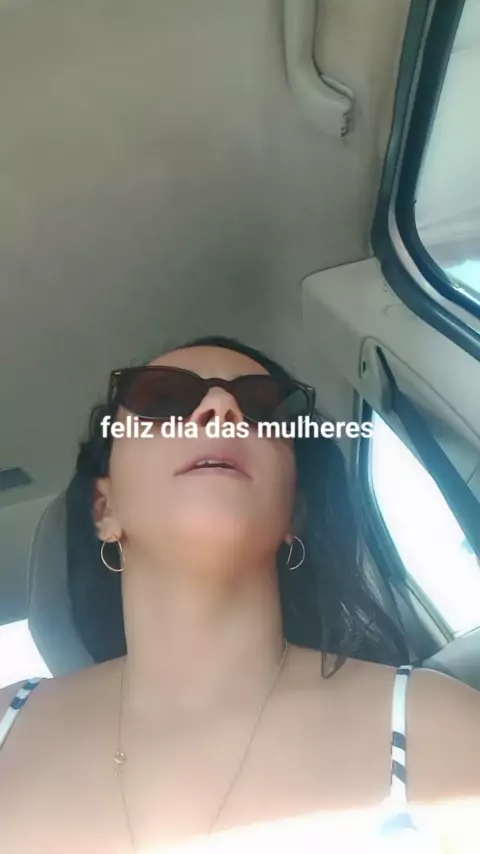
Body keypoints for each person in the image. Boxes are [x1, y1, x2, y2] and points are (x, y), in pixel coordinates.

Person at [0, 335, 478, 854]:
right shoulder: (6, 725)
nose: (219, 406)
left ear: (295, 511)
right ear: (104, 509)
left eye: (262, 408)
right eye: (161, 399)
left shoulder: (438, 723)